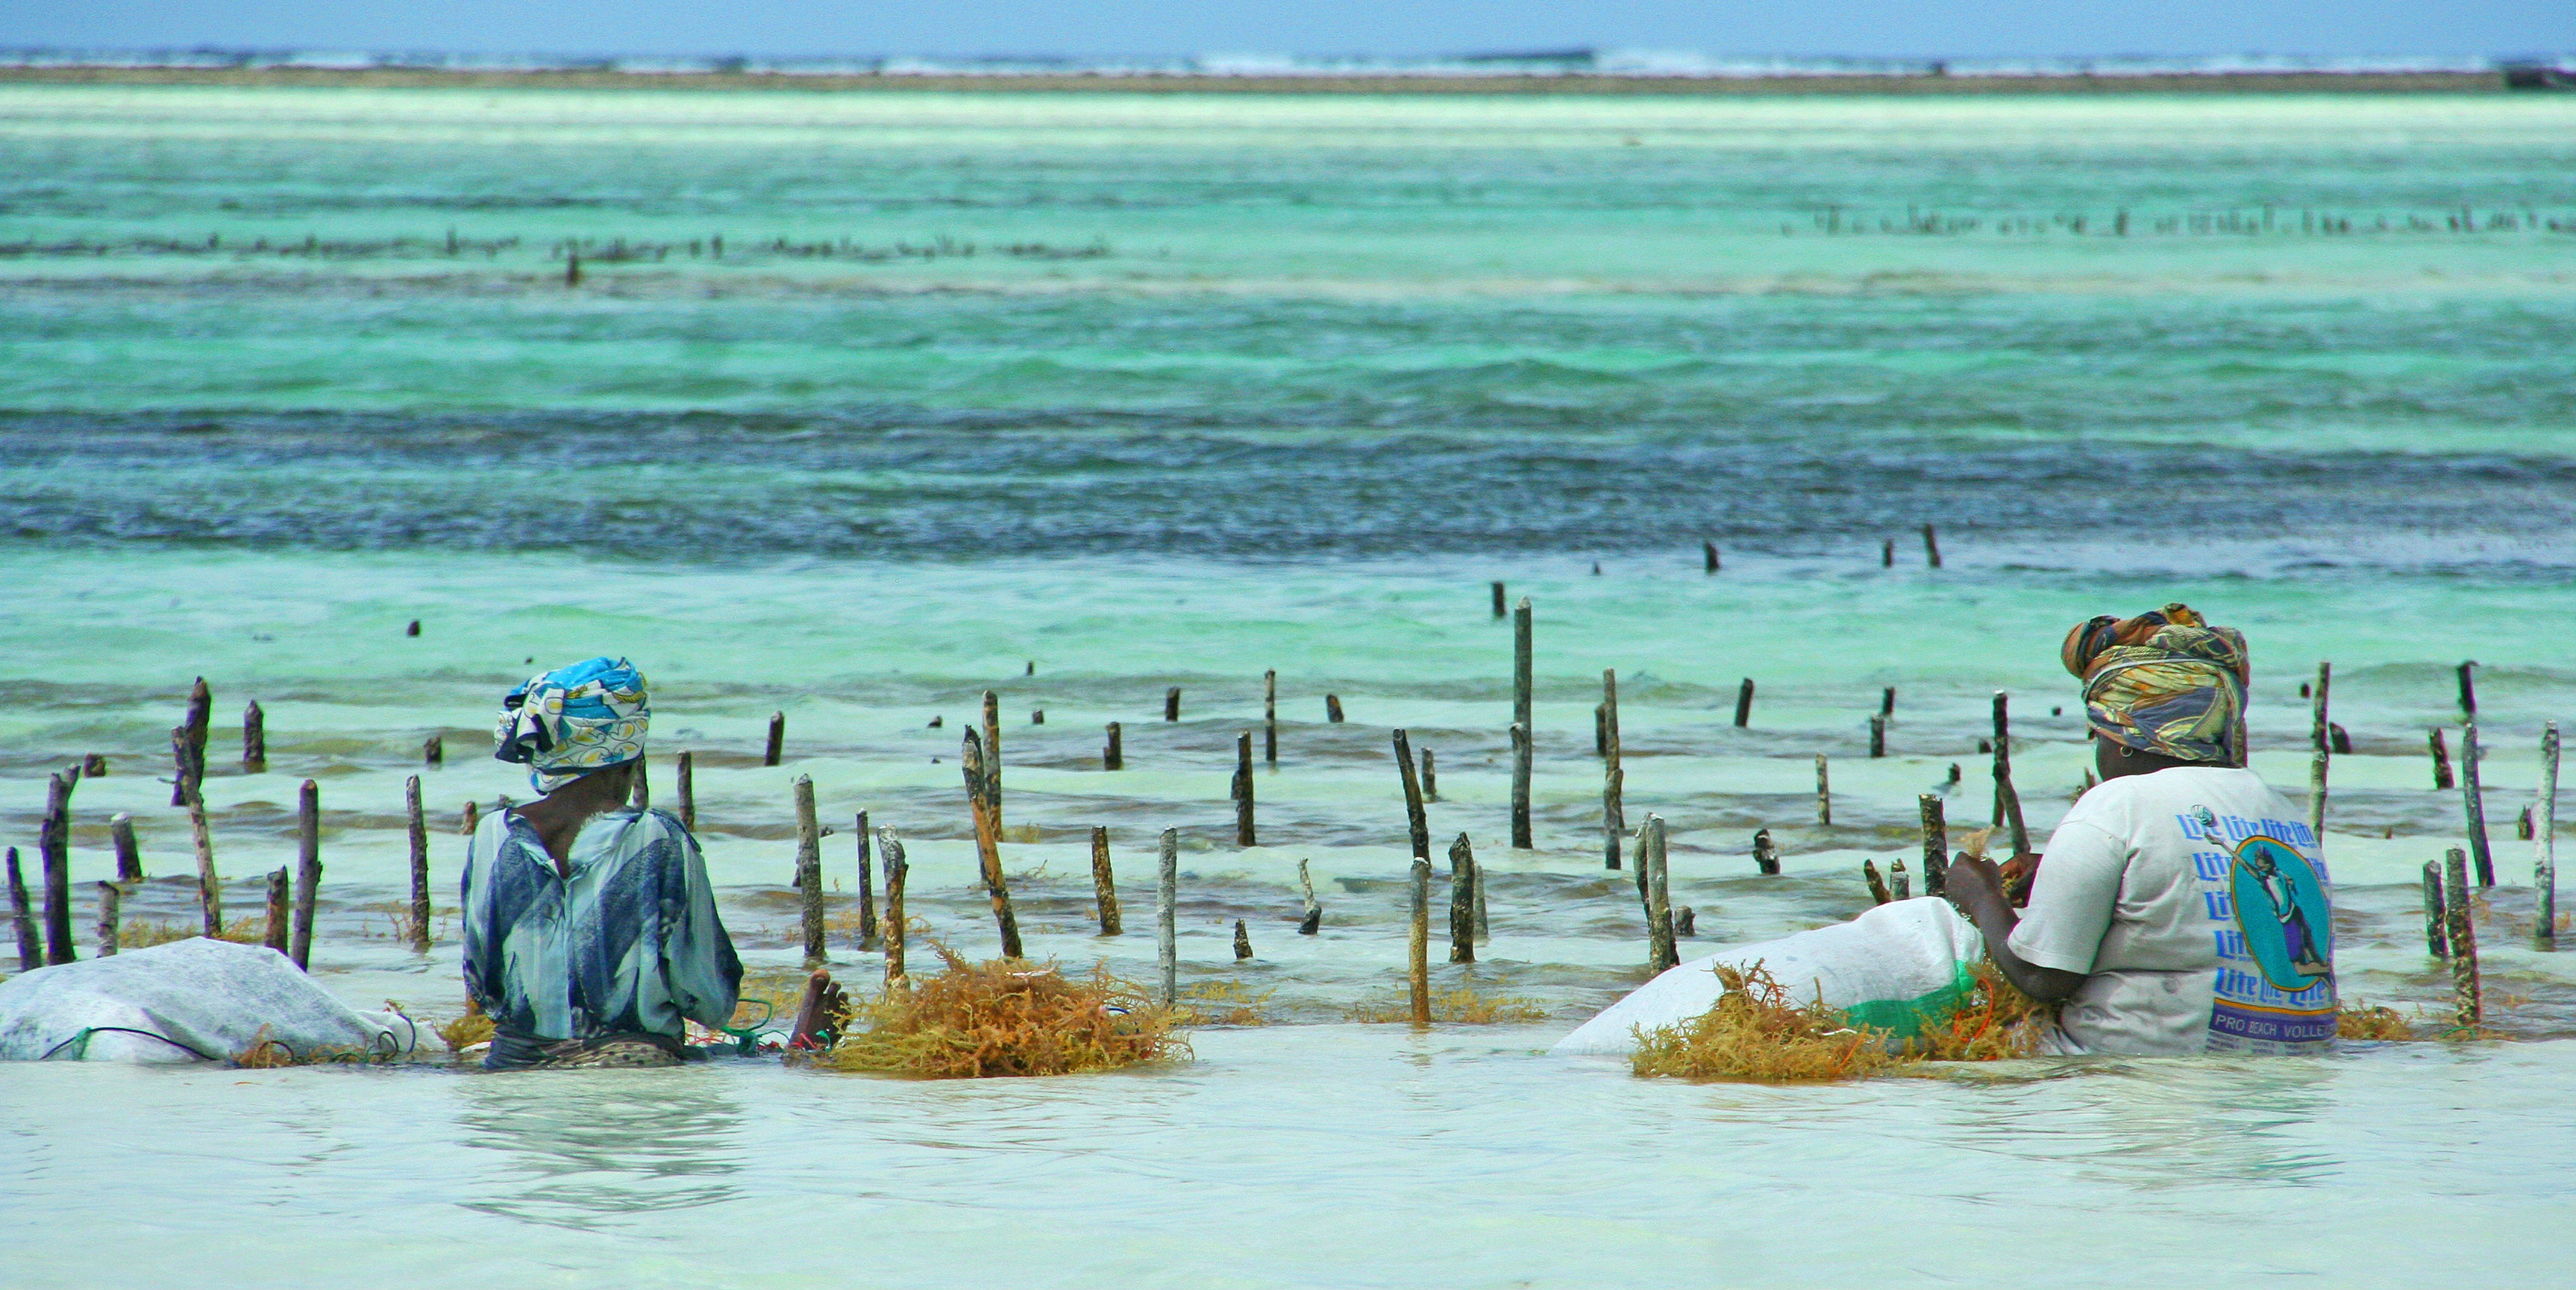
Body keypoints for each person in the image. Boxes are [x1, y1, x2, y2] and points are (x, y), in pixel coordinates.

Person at [1945, 604, 2338, 1056]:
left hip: (2134, 1064)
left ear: (2128, 738)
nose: (2099, 752)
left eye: (2099, 735)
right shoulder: (2282, 812)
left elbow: (2043, 977)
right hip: (2293, 1060)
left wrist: (1979, 897)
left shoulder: (2119, 805)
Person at [461, 657, 844, 1069]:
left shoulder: (492, 834)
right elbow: (709, 999)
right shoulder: (657, 837)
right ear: (630, 755)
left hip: (512, 1063)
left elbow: (483, 986)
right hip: (630, 1065)